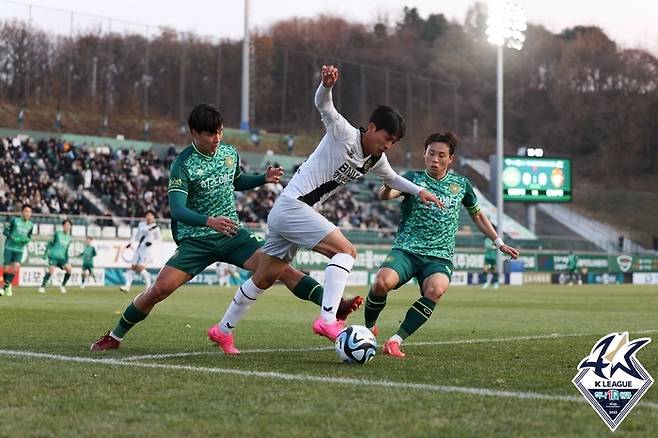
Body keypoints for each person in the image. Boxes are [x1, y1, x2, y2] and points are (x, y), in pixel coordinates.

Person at [90, 103, 361, 352]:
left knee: (281, 270)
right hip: (197, 240)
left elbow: (237, 181)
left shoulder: (229, 153)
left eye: (219, 132)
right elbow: (177, 210)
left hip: (233, 235)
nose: (217, 139)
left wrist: (262, 179)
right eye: (210, 135)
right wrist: (209, 221)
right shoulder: (182, 164)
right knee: (159, 290)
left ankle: (333, 308)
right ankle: (115, 336)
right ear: (194, 133)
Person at [211, 65, 442, 352]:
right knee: (346, 251)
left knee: (266, 275)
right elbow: (323, 105)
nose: (388, 146)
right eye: (386, 138)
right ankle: (327, 319)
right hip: (293, 206)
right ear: (371, 128)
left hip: (294, 212)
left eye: (393, 143)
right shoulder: (343, 132)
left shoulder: (374, 159)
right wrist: (327, 85)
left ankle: (222, 331)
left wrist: (420, 191)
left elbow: (393, 179)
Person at [362, 132, 520, 358]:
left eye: (441, 155)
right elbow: (386, 194)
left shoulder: (461, 184)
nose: (435, 159)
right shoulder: (413, 179)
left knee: (435, 290)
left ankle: (395, 341)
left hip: (439, 257)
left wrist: (499, 242)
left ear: (451, 159)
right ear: (424, 154)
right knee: (381, 282)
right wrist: (388, 184)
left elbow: (477, 216)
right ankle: (369, 327)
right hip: (407, 250)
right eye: (431, 153)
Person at [119, 210, 162, 293]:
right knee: (133, 266)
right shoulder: (141, 225)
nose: (148, 217)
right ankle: (127, 286)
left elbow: (159, 239)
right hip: (139, 248)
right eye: (147, 215)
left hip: (147, 250)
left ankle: (149, 285)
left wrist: (152, 242)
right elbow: (136, 235)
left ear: (153, 217)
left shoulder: (156, 227)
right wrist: (130, 243)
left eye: (150, 215)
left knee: (140, 267)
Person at [1, 204, 34, 297]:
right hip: (9, 247)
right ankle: (8, 285)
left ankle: (4, 288)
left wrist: (27, 240)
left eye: (30, 212)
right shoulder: (14, 220)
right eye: (26, 211)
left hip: (19, 249)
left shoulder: (31, 225)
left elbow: (29, 236)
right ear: (22, 212)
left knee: (15, 268)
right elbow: (5, 231)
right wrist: (13, 238)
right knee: (6, 269)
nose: (28, 213)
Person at [38, 219, 73, 294]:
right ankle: (42, 287)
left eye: (69, 225)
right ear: (63, 226)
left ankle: (62, 286)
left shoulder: (70, 238)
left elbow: (66, 249)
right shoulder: (57, 234)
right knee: (51, 270)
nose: (67, 226)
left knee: (69, 269)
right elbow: (50, 243)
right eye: (66, 225)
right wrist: (45, 254)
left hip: (62, 257)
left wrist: (67, 259)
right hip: (53, 256)